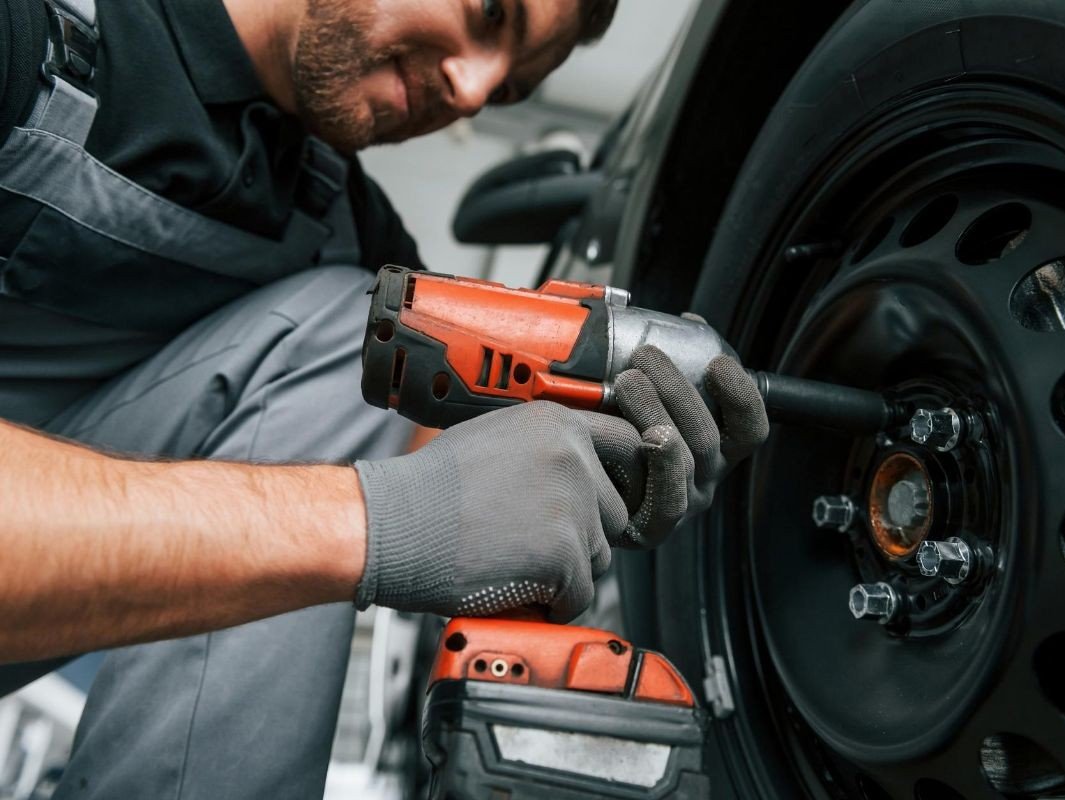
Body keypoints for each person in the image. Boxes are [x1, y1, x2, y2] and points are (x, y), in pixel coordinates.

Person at [0, 0, 769, 797]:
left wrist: (596, 465)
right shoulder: (33, 34)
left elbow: (465, 471)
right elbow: (410, 501)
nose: (472, 91)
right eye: (489, 11)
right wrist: (381, 521)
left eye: (507, 94)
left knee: (357, 331)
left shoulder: (339, 225)